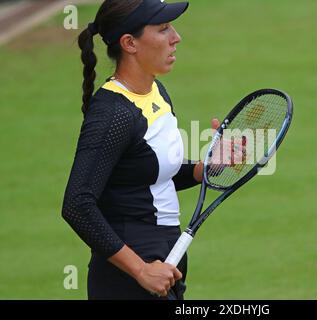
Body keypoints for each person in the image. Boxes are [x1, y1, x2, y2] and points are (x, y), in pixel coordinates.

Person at [61, 0, 217, 300]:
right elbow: (77, 204)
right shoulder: (112, 114)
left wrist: (205, 168)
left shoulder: (156, 91)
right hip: (129, 277)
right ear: (129, 43)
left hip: (166, 262)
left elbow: (146, 174)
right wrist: (140, 270)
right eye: (163, 29)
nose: (176, 37)